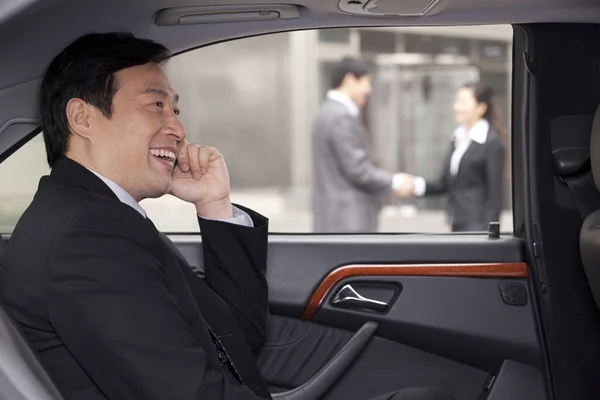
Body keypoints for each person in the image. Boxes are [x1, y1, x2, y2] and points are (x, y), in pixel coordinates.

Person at [1, 32, 454, 400]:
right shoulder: (87, 235)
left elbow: (237, 335)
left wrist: (214, 206)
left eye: (175, 109)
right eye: (155, 104)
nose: (177, 126)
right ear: (82, 117)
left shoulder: (99, 214)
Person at [312, 57, 412, 233]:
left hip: (335, 217)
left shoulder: (327, 112)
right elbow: (357, 170)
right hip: (347, 220)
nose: (369, 90)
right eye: (367, 82)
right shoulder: (340, 116)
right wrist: (395, 182)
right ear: (350, 80)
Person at [398, 82, 507, 232]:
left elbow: (494, 197)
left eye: (462, 102)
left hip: (478, 226)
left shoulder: (491, 143)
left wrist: (490, 235)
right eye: (456, 101)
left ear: (481, 108)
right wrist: (416, 185)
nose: (456, 106)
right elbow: (445, 184)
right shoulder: (457, 139)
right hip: (457, 223)